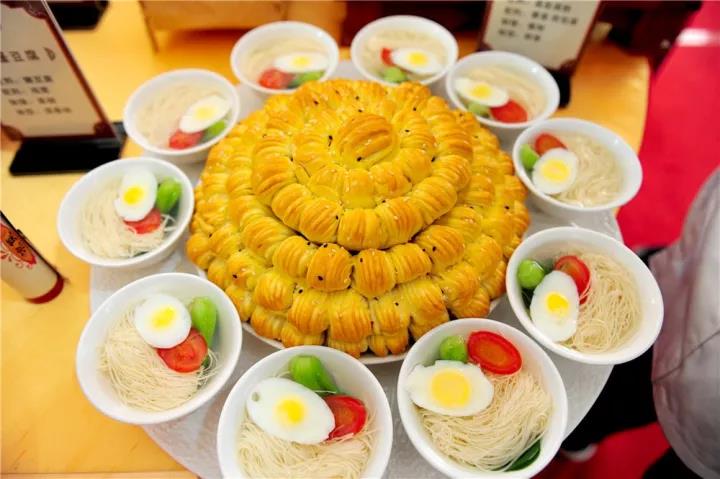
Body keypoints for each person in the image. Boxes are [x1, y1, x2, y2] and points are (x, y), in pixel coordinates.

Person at [561, 169, 720, 478]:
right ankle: (578, 433)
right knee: (612, 385)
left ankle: (579, 432)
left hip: (707, 409)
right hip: (684, 276)